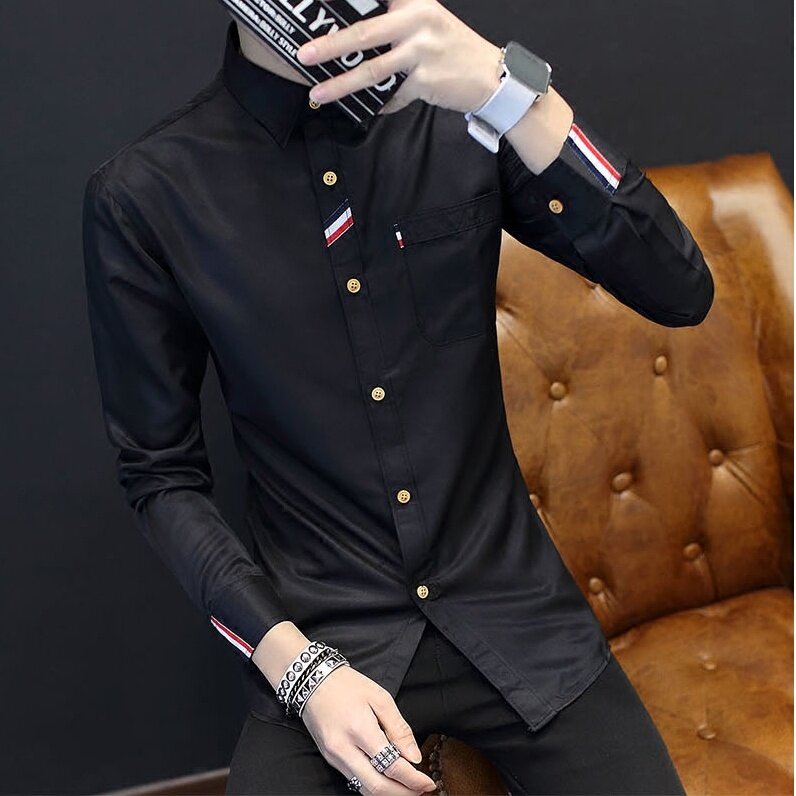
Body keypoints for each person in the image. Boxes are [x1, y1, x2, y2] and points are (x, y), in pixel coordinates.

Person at [82, 1, 712, 793]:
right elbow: (160, 475)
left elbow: (681, 289)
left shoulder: (460, 114)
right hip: (323, 633)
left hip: (516, 612)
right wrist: (298, 669)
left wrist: (512, 91)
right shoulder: (147, 192)